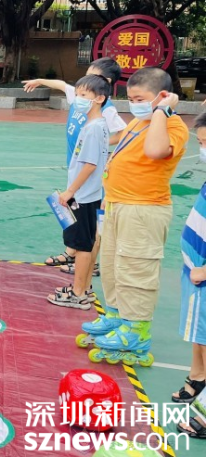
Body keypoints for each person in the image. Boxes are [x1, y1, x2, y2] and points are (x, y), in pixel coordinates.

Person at [85, 68, 188, 366]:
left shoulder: (172, 125)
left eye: (140, 99)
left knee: (136, 267)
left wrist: (162, 112)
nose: (134, 104)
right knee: (113, 266)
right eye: (130, 98)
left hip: (143, 208)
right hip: (118, 205)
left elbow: (155, 151)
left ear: (162, 96)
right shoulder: (138, 121)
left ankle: (137, 330)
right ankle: (118, 316)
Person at [23, 58, 127, 270]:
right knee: (76, 211)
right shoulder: (82, 94)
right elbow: (62, 85)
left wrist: (100, 144)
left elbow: (123, 133)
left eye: (92, 76)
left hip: (90, 170)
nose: (85, 80)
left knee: (92, 217)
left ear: (104, 84)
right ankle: (72, 253)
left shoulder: (105, 110)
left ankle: (89, 263)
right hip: (77, 165)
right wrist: (40, 81)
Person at [45, 75, 112, 310]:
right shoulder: (98, 125)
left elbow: (90, 164)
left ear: (100, 98)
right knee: (85, 243)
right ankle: (83, 288)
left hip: (82, 196)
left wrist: (70, 191)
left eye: (84, 95)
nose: (79, 99)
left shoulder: (93, 129)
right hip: (90, 194)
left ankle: (78, 294)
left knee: (82, 246)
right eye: (78, 94)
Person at [171, 112, 206, 409]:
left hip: (202, 273)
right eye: (201, 142)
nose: (202, 149)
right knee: (200, 333)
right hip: (195, 271)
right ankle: (199, 375)